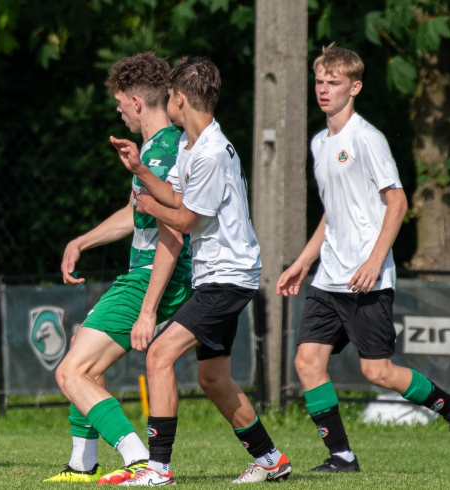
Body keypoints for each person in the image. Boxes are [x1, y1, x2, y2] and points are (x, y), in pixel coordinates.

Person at [276, 44, 450, 473]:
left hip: (365, 278)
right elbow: (333, 212)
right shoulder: (318, 143)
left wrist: (374, 261)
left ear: (356, 87)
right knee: (306, 362)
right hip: (329, 277)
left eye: (334, 83)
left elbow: (399, 203)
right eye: (319, 81)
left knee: (378, 371)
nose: (324, 90)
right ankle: (342, 457)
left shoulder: (367, 139)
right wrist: (303, 260)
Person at [113, 56, 291, 485]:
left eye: (169, 97)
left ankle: (158, 468)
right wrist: (139, 170)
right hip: (216, 277)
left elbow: (186, 218)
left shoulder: (211, 151)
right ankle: (271, 460)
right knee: (213, 378)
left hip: (227, 278)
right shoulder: (192, 146)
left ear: (178, 99)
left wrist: (149, 206)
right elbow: (173, 194)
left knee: (159, 355)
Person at [45, 52, 192, 485]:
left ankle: (138, 459)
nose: (118, 110)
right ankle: (81, 464)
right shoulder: (158, 149)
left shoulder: (165, 150)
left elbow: (174, 229)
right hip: (150, 275)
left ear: (136, 102)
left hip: (152, 276)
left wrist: (148, 306)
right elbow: (137, 213)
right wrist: (81, 242)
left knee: (70, 371)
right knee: (80, 352)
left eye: (119, 103)